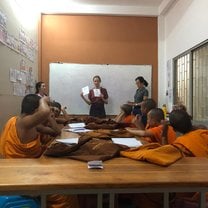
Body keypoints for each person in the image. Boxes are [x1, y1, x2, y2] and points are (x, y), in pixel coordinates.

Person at [0, 94, 79, 208]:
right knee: (64, 193)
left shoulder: (31, 125)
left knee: (66, 177)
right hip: (21, 174)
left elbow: (56, 132)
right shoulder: (22, 123)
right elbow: (44, 112)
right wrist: (43, 99)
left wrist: (51, 117)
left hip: (29, 169)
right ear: (37, 110)